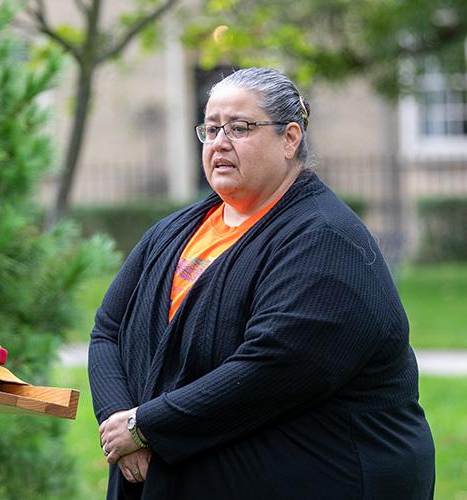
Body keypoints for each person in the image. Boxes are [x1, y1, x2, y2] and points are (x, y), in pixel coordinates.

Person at [89, 67, 435, 499]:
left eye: (240, 127)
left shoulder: (326, 240)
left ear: (290, 138)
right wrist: (120, 424)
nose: (219, 142)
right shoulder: (174, 231)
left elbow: (273, 367)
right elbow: (108, 329)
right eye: (211, 129)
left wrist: (146, 426)